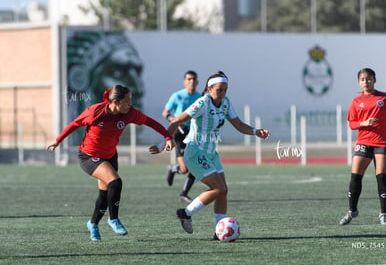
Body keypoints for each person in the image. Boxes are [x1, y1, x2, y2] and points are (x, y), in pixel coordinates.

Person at [47, 85, 173, 241]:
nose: (130, 105)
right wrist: (57, 140)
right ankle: (113, 219)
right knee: (115, 182)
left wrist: (168, 137)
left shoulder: (129, 113)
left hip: (110, 156)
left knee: (105, 194)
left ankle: (92, 223)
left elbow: (150, 122)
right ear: (115, 102)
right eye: (127, 101)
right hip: (89, 157)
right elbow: (75, 124)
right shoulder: (95, 112)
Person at [162, 71, 270, 239]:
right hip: (195, 151)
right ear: (209, 88)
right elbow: (176, 120)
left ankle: (218, 231)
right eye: (219, 89)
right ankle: (185, 212)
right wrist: (167, 140)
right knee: (219, 188)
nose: (222, 93)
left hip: (212, 153)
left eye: (225, 89)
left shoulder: (225, 103)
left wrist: (256, 131)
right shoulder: (202, 103)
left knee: (223, 191)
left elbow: (239, 124)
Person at [339, 68, 386, 225]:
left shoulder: (384, 97)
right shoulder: (356, 102)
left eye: (369, 78)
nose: (366, 82)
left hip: (382, 142)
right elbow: (351, 123)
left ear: (374, 80)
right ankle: (352, 211)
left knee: (382, 177)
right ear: (359, 82)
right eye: (363, 79)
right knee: (355, 176)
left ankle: (383, 214)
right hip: (363, 142)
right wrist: (364, 123)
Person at [162, 70, 201, 203]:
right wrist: (173, 119)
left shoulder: (200, 97)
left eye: (193, 79)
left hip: (194, 132)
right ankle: (173, 169)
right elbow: (165, 112)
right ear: (184, 82)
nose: (191, 82)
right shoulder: (177, 96)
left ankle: (184, 193)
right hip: (180, 132)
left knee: (196, 165)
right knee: (184, 169)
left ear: (197, 82)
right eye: (188, 79)